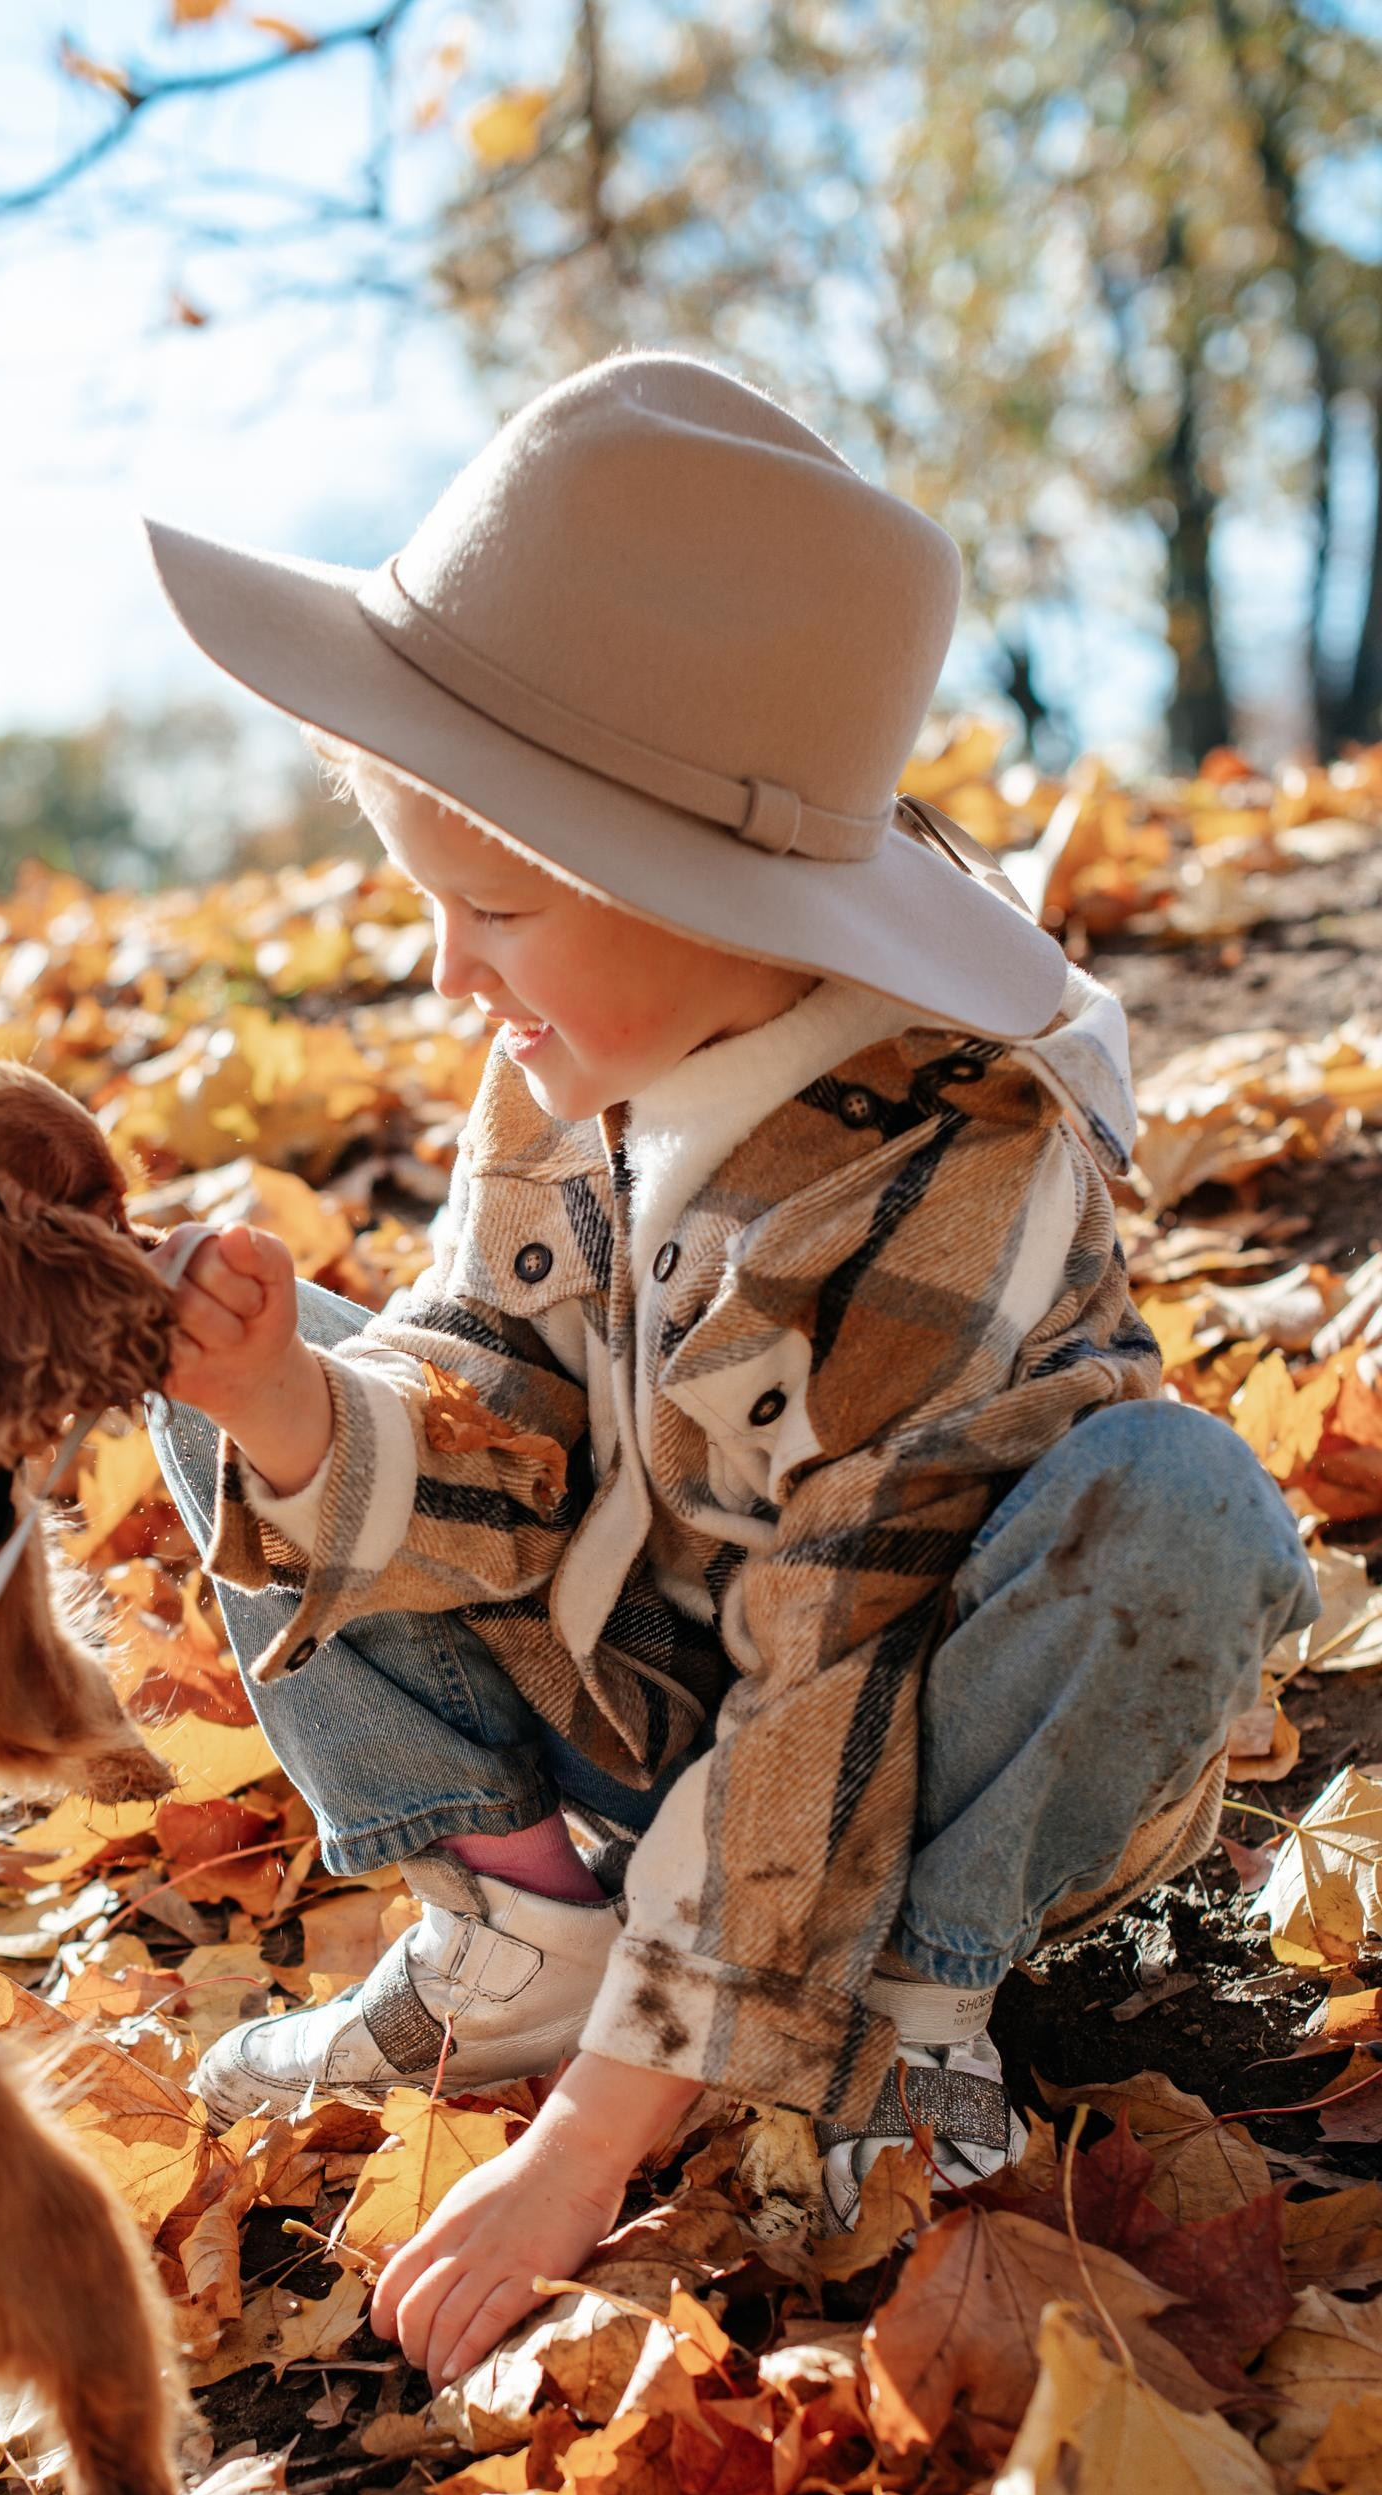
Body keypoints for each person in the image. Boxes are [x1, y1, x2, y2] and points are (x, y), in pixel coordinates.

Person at [137, 352, 1317, 2388]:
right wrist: (298, 1420)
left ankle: (903, 2019)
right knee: (230, 1366)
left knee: (1182, 1508)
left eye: (487, 905)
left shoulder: (940, 1172)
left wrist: (597, 2145)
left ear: (707, 894)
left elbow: (827, 1673)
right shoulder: (575, 1049)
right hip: (645, 1686)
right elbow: (497, 1397)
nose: (446, 973)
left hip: (928, 1743)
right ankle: (520, 1935)